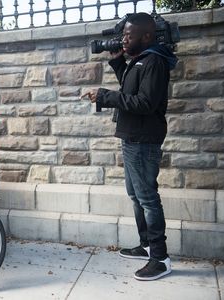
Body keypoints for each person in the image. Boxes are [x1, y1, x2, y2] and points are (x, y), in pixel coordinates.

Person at [81, 13, 178, 281]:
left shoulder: (154, 62)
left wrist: (105, 96)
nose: (124, 39)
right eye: (123, 34)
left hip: (144, 141)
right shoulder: (139, 60)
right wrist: (116, 61)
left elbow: (145, 103)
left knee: (147, 198)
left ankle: (160, 258)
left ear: (146, 36)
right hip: (132, 138)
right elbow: (130, 87)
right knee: (136, 196)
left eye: (129, 35)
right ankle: (146, 245)